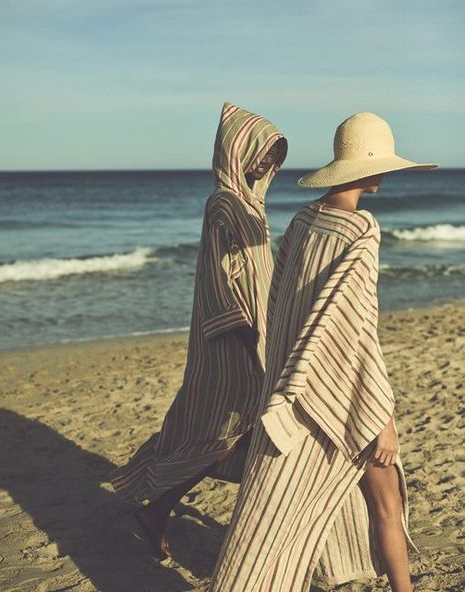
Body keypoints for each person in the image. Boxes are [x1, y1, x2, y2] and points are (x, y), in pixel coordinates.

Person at [208, 112, 437, 592]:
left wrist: (281, 380)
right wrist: (384, 416)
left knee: (290, 507)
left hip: (299, 384)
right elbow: (358, 330)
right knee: (387, 501)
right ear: (372, 169)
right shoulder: (360, 230)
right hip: (349, 394)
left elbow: (283, 305)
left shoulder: (301, 221)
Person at [109, 102, 287, 559]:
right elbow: (215, 275)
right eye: (260, 151)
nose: (265, 162)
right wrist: (242, 330)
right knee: (218, 431)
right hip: (231, 340)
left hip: (260, 333)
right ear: (236, 150)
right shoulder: (223, 203)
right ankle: (156, 507)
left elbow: (259, 271)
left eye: (273, 154)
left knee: (241, 431)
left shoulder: (252, 205)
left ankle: (164, 509)